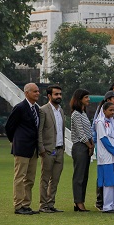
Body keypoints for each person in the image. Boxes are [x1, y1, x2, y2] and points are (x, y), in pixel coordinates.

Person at [6, 83, 41, 215]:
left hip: (33, 149)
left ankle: (26, 204)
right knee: (20, 177)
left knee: (30, 178)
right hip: (22, 148)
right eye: (34, 91)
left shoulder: (37, 109)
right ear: (26, 93)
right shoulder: (20, 108)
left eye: (38, 91)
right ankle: (18, 205)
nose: (37, 93)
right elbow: (9, 127)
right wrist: (15, 141)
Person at [37, 85, 65, 213]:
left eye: (60, 94)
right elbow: (40, 131)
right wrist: (41, 148)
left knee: (56, 179)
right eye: (56, 94)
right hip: (48, 150)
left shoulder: (61, 111)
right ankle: (43, 206)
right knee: (45, 179)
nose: (59, 96)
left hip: (59, 150)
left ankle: (51, 204)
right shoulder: (43, 110)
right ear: (49, 96)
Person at [96, 102, 114, 213]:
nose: (112, 113)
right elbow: (104, 140)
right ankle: (107, 206)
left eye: (113, 110)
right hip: (106, 156)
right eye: (110, 110)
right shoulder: (100, 122)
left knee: (113, 180)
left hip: (113, 156)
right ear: (104, 111)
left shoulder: (111, 122)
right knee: (108, 181)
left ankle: (113, 205)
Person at [70, 88, 93, 212]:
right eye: (86, 97)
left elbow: (88, 131)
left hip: (87, 145)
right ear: (79, 100)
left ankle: (80, 201)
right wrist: (89, 145)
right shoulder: (76, 114)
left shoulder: (83, 113)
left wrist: (91, 144)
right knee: (79, 176)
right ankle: (78, 202)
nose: (88, 99)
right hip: (80, 146)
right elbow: (80, 133)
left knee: (84, 176)